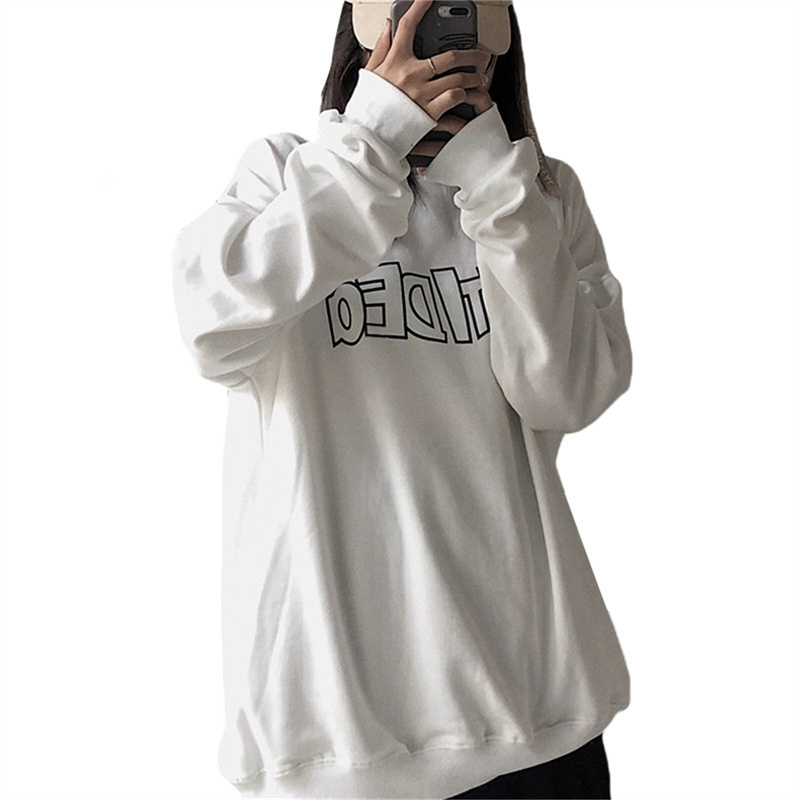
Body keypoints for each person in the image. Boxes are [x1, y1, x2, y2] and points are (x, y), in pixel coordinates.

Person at [171, 0, 633, 797]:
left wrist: (494, 181)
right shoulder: (284, 175)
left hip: (540, 722)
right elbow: (213, 324)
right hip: (335, 745)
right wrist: (370, 140)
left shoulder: (540, 194)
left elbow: (568, 393)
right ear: (368, 30)